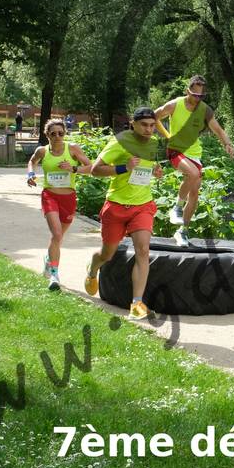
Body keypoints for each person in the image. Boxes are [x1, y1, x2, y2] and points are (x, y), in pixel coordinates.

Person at [83, 106, 164, 319]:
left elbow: (147, 168)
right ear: (133, 124)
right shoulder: (119, 142)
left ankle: (136, 303)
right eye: (144, 125)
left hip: (142, 204)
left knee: (143, 250)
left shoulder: (153, 143)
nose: (149, 130)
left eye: (152, 126)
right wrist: (123, 168)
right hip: (117, 205)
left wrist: (156, 171)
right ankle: (92, 269)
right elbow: (95, 170)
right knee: (107, 254)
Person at [153, 75, 234, 246]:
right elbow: (154, 117)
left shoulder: (205, 110)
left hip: (195, 153)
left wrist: (227, 143)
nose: (197, 98)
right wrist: (167, 135)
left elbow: (218, 130)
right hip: (176, 150)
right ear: (187, 91)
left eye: (201, 96)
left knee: (195, 194)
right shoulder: (174, 104)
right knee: (193, 173)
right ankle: (176, 208)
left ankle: (182, 231)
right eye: (195, 94)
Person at [27, 119, 91, 290]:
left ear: (65, 134)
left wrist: (73, 169)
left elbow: (90, 167)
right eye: (53, 133)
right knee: (56, 234)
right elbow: (32, 161)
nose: (57, 136)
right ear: (47, 135)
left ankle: (49, 259)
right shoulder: (42, 151)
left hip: (68, 198)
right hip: (50, 196)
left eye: (60, 133)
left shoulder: (73, 149)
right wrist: (30, 174)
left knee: (58, 237)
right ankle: (54, 275)